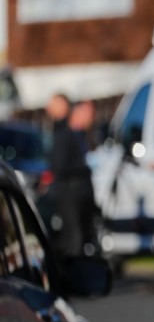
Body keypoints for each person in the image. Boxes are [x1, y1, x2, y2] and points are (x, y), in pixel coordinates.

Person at [46, 93, 98, 258]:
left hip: (82, 194)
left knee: (82, 238)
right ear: (77, 112)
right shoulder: (64, 136)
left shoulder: (85, 136)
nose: (91, 118)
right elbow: (58, 166)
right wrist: (85, 168)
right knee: (73, 239)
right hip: (69, 195)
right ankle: (71, 278)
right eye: (88, 113)